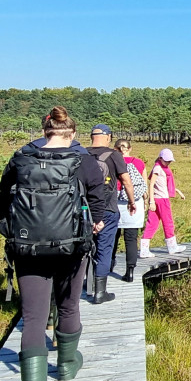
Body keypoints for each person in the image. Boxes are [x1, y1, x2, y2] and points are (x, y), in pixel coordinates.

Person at [0, 106, 106, 381]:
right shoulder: (82, 159)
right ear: (71, 134)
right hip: (71, 247)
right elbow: (99, 195)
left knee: (33, 318)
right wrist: (95, 222)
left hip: (27, 247)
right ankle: (67, 365)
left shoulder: (21, 158)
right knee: (69, 305)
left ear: (46, 131)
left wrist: (9, 229)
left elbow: (4, 198)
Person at [87, 124, 136, 304]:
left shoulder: (82, 154)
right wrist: (131, 201)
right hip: (107, 208)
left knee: (84, 247)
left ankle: (85, 284)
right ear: (107, 137)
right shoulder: (114, 155)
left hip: (84, 209)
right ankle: (100, 292)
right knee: (104, 248)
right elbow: (126, 181)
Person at [112, 139, 148, 281]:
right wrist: (146, 201)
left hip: (115, 202)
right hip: (134, 203)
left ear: (115, 149)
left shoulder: (112, 161)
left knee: (112, 238)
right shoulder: (139, 163)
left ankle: (107, 267)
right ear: (130, 149)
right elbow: (144, 185)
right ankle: (130, 271)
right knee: (131, 239)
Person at [143, 148, 187, 254]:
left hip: (159, 198)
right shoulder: (158, 168)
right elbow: (151, 184)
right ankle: (172, 247)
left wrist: (178, 191)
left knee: (152, 223)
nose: (168, 162)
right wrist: (151, 202)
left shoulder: (161, 168)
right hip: (161, 200)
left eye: (169, 161)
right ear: (160, 158)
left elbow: (162, 185)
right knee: (168, 222)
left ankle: (144, 250)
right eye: (166, 160)